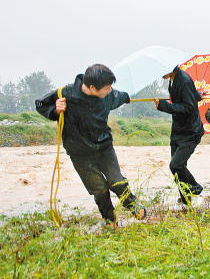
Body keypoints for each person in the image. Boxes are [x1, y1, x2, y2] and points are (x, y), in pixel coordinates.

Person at [35, 64, 146, 228]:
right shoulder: (65, 93)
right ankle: (110, 219)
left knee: (117, 181)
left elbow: (121, 96)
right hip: (79, 152)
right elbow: (41, 104)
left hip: (104, 148)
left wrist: (127, 98)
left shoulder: (108, 95)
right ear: (92, 87)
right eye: (107, 88)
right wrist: (56, 110)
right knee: (98, 188)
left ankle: (132, 205)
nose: (110, 91)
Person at [155, 65, 204, 206]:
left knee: (175, 165)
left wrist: (164, 106)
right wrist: (196, 94)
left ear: (171, 66)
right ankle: (185, 199)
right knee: (179, 166)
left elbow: (189, 107)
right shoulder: (173, 79)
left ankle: (196, 189)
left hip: (190, 131)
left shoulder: (184, 80)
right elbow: (191, 98)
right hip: (178, 130)